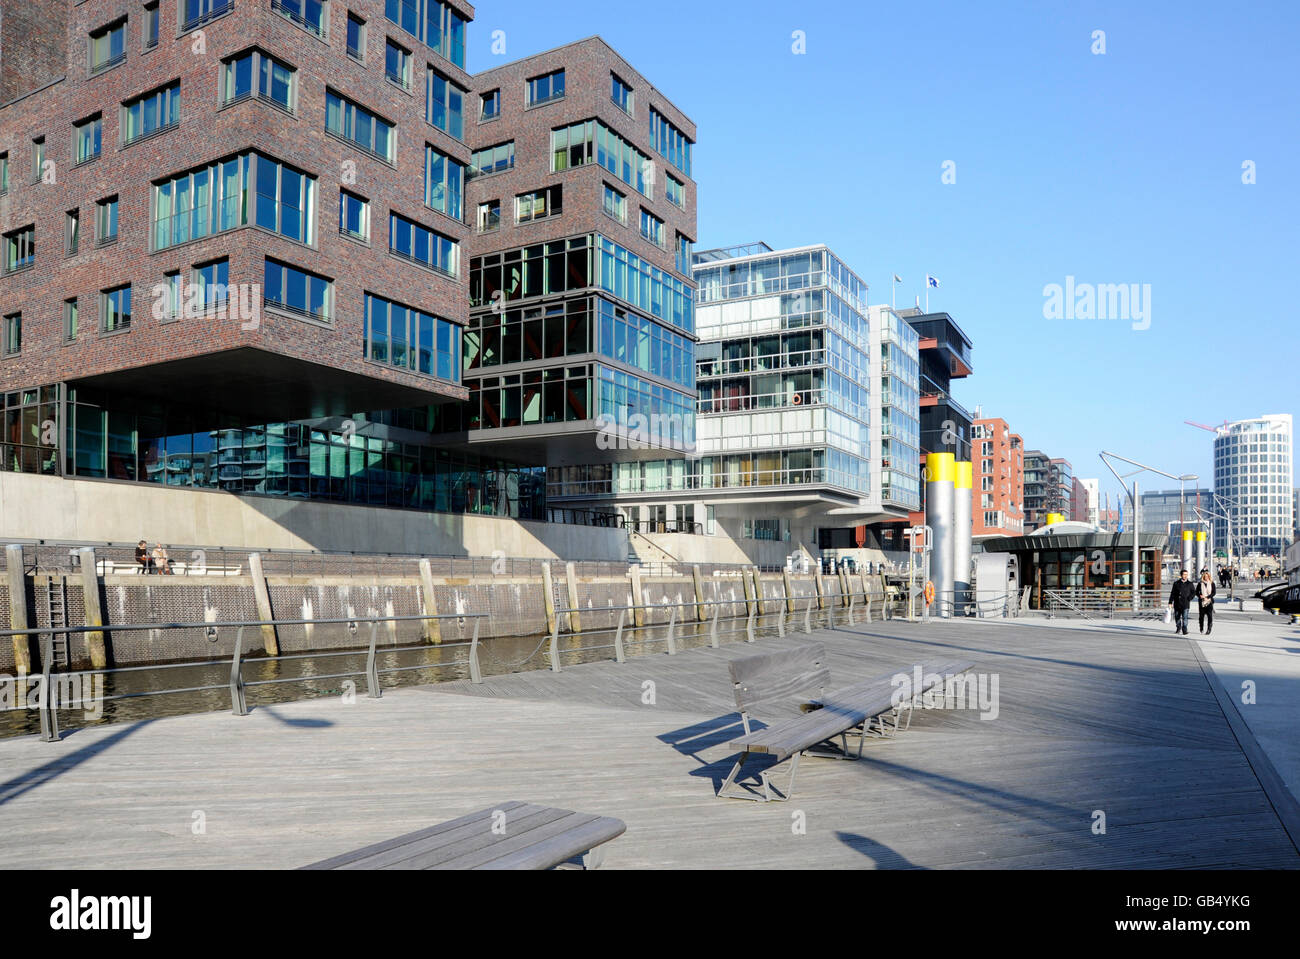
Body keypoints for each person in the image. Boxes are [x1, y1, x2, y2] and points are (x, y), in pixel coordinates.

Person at [1168, 568, 1197, 636]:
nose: (1185, 576)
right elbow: (1173, 593)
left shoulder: (1190, 584)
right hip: (1177, 603)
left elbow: (1193, 592)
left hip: (1185, 603)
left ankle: (1184, 629)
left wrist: (1189, 598)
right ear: (1181, 575)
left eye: (1186, 575)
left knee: (1185, 617)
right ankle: (1178, 627)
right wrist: (1170, 602)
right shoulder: (1176, 583)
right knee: (1177, 617)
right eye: (1184, 574)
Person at [1197, 569, 1217, 635]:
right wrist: (1200, 595)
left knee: (1209, 616)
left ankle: (1209, 628)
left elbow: (1214, 592)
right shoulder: (1200, 584)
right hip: (1202, 602)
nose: (1206, 578)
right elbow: (1196, 592)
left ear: (1209, 577)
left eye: (1207, 576)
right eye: (1205, 576)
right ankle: (1201, 627)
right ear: (1203, 577)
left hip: (1209, 602)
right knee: (1201, 616)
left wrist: (1207, 597)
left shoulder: (1212, 583)